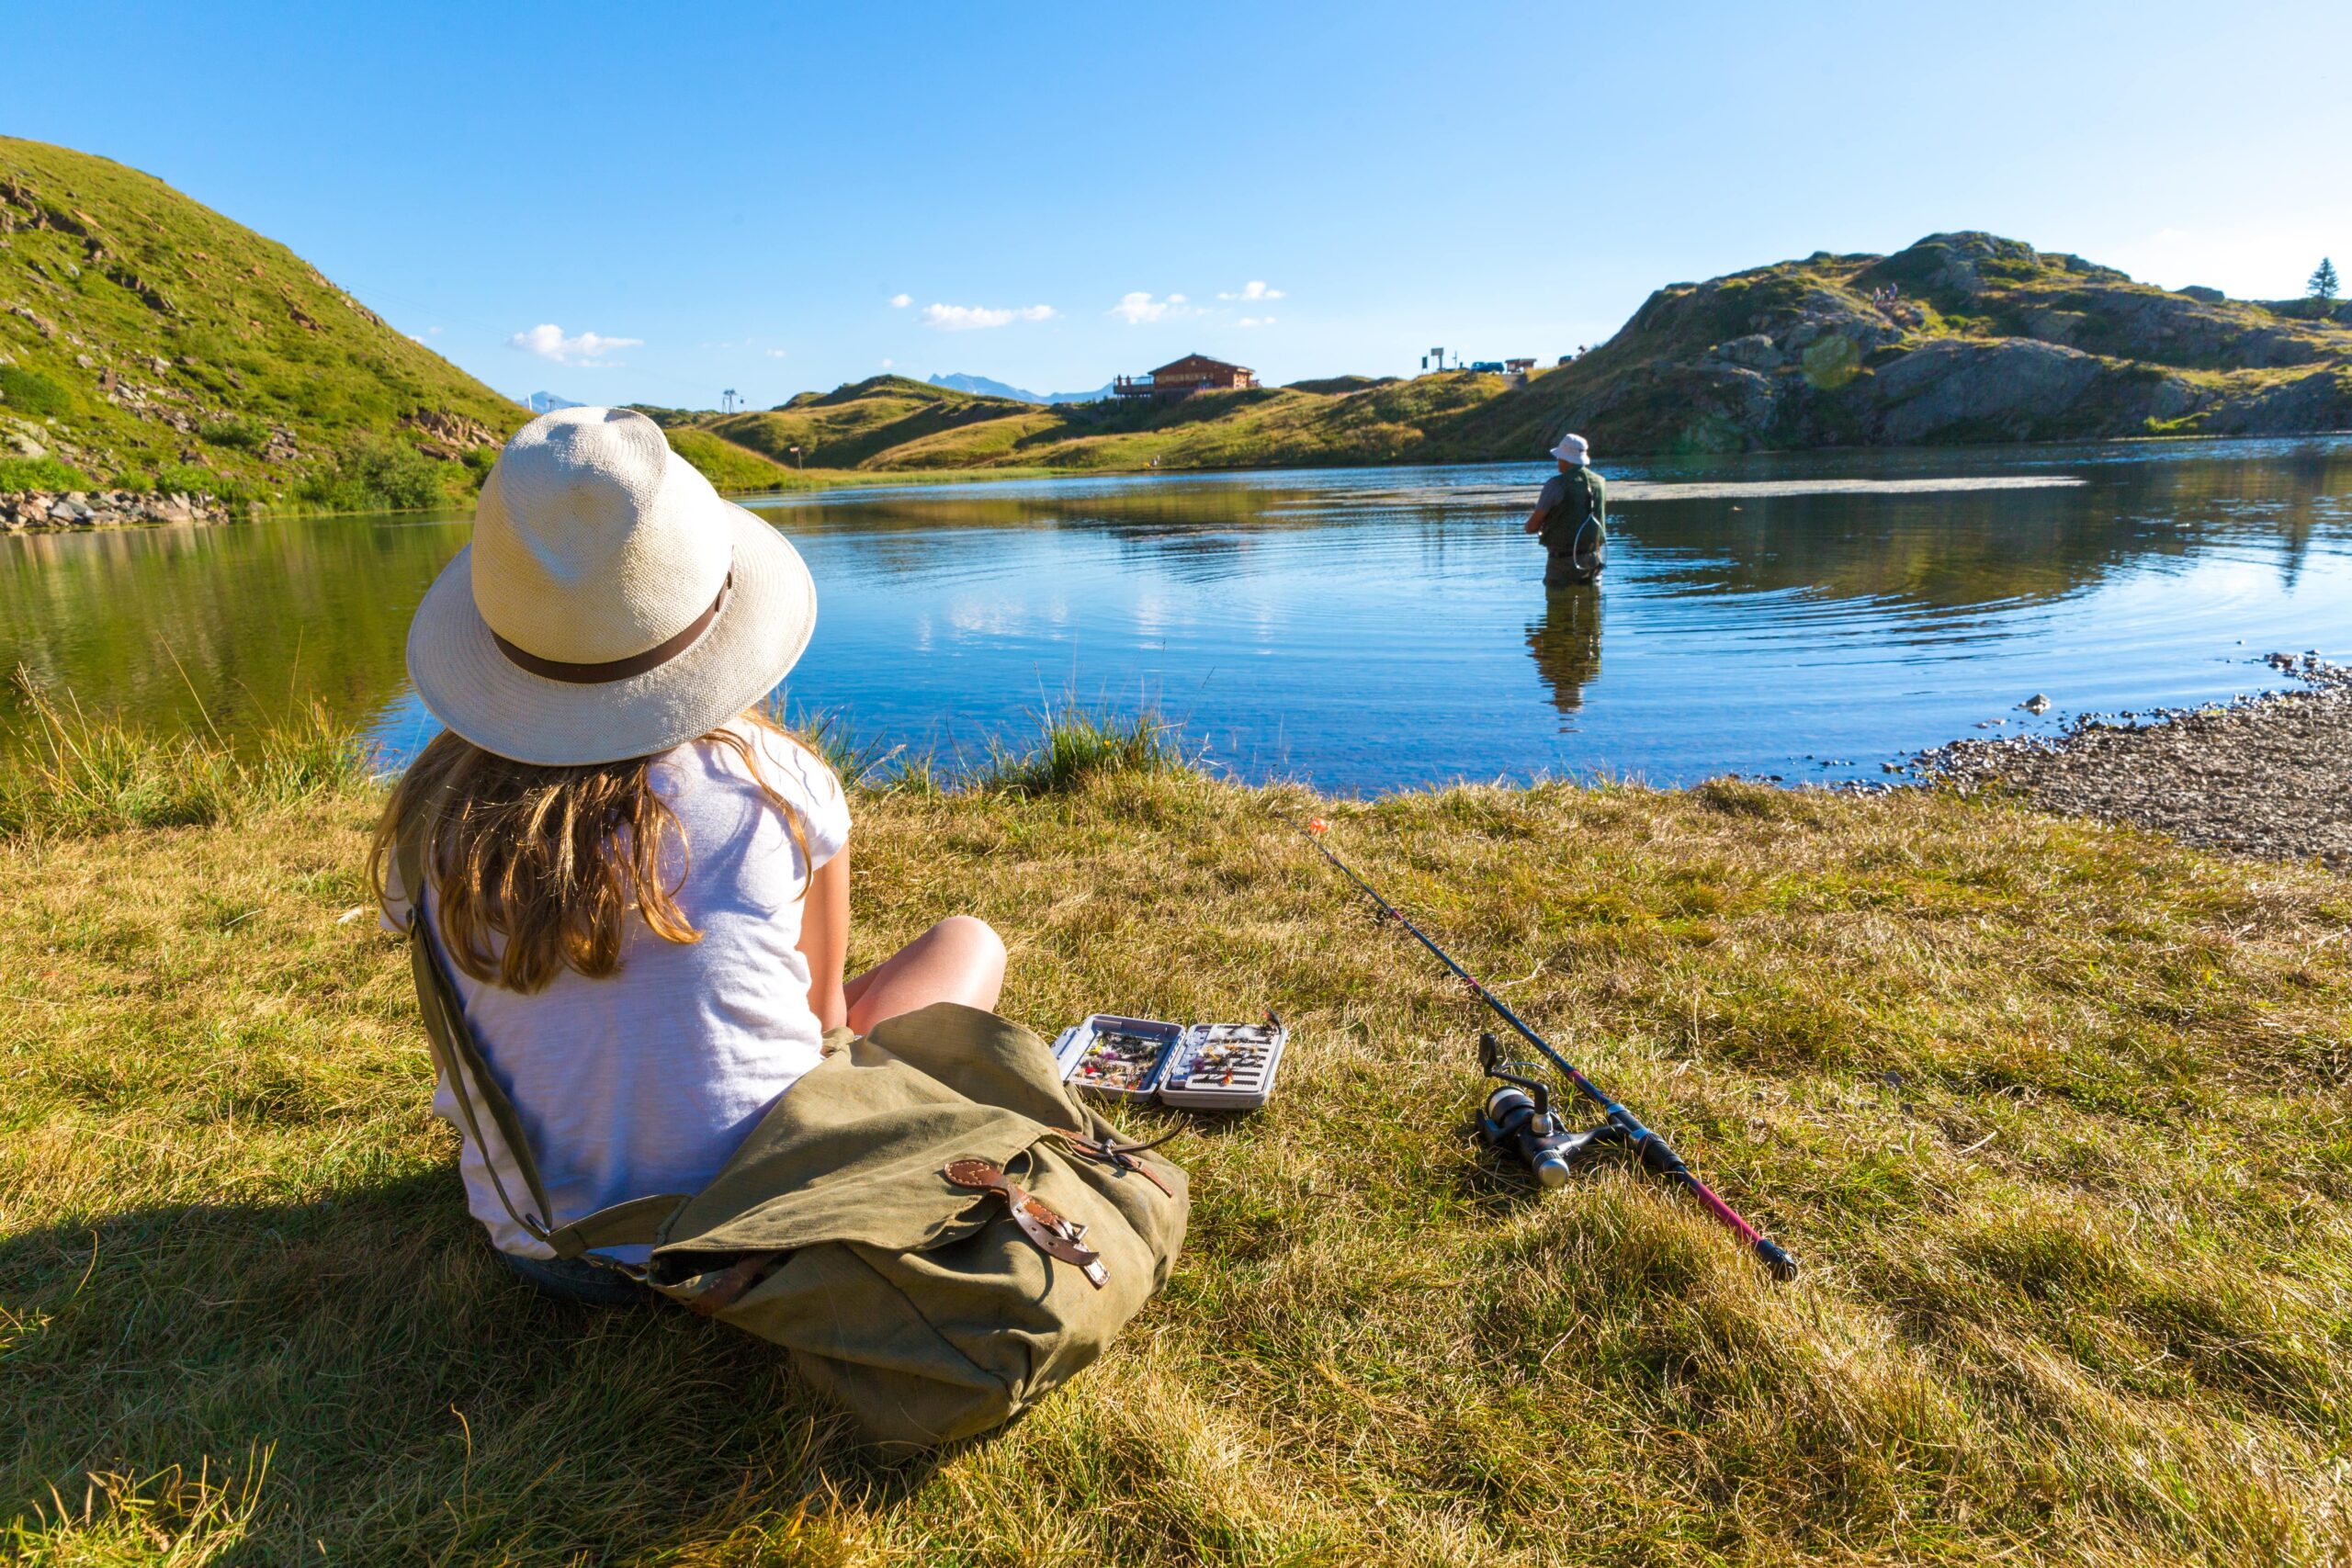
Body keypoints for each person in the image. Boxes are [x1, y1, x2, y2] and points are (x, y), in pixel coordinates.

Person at [371, 407, 1006, 1306]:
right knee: (967, 943)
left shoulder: (433, 817)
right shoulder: (781, 782)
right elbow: (824, 1023)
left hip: (547, 1250)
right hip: (766, 1236)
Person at [1522, 432, 1607, 586]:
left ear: (1566, 459)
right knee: (1591, 608)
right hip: (1594, 560)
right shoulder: (1601, 482)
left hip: (1562, 564)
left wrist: (1529, 526)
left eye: (1559, 457)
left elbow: (1532, 527)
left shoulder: (1555, 485)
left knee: (1558, 607)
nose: (1558, 461)